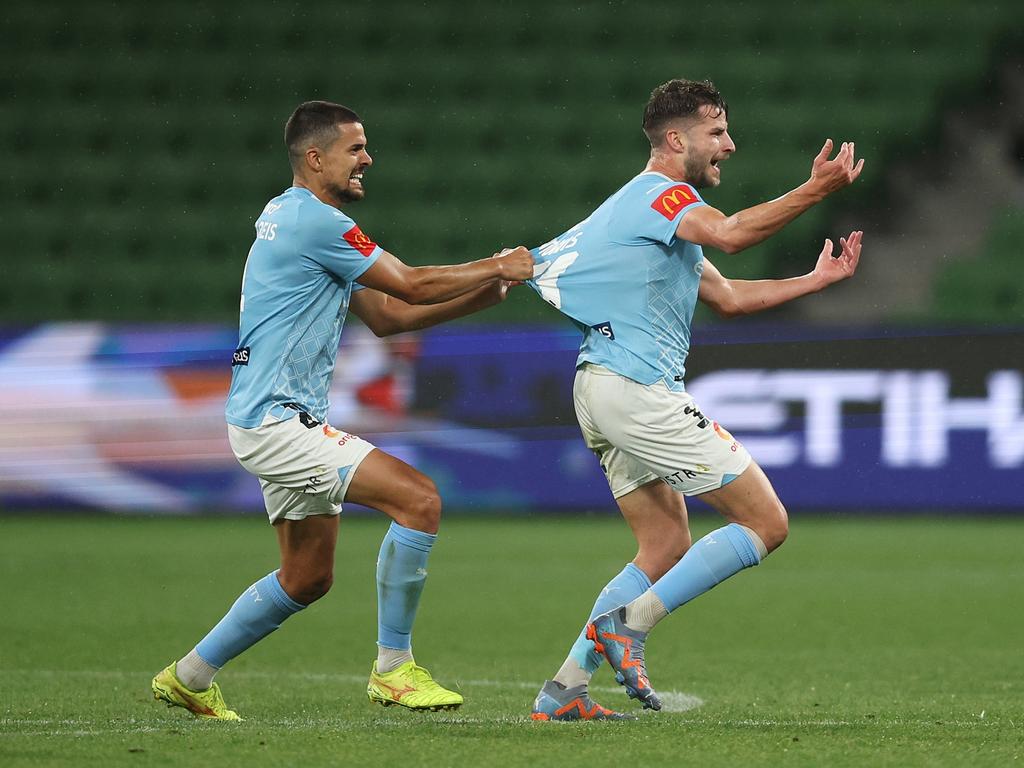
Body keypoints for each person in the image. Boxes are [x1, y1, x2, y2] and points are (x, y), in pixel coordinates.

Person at [151, 100, 534, 721]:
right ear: (315, 156)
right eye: (355, 148)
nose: (367, 159)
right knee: (419, 499)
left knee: (306, 576)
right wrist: (497, 264)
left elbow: (387, 317)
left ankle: (190, 676)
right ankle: (394, 670)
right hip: (278, 421)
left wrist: (479, 297)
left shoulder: (293, 217)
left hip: (266, 416)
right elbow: (407, 282)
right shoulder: (318, 224)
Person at [526, 79, 864, 721]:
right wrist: (817, 189)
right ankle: (631, 626)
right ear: (676, 139)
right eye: (717, 132)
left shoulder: (652, 214)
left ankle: (564, 691)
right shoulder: (663, 196)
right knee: (766, 522)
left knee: (662, 546)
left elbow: (729, 297)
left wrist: (815, 280)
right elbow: (732, 233)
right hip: (635, 390)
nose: (729, 146)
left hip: (601, 387)